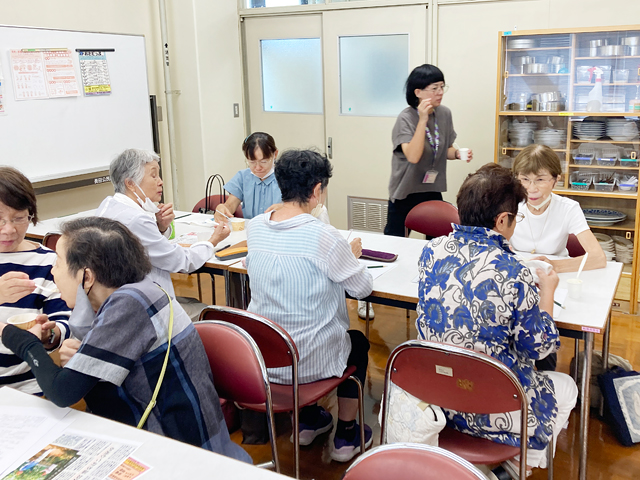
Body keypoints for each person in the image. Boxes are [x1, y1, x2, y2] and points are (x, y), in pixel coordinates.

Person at [0, 217, 250, 462]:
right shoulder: (136, 288)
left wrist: (16, 338)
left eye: (58, 261)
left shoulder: (130, 304)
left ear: (86, 277)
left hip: (177, 448)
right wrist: (56, 340)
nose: (53, 271)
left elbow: (62, 392)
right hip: (177, 429)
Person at [416, 164, 577, 474]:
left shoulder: (431, 251)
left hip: (436, 395)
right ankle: (516, 468)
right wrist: (547, 291)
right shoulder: (513, 270)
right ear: (503, 220)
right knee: (567, 387)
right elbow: (539, 349)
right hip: (493, 404)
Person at [246, 149, 373, 463]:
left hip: (265, 359)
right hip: (310, 361)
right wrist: (349, 256)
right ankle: (345, 434)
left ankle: (307, 422)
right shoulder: (323, 236)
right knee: (357, 343)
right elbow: (362, 288)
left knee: (293, 321)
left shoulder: (256, 227)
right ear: (317, 190)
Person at [97, 149, 230, 320]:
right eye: (154, 176)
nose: (160, 182)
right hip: (144, 311)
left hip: (117, 303)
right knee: (211, 313)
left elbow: (142, 247)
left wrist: (159, 228)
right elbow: (182, 262)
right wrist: (213, 240)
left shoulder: (108, 205)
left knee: (190, 302)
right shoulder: (137, 219)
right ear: (130, 183)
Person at [0, 166, 70, 393]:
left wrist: (51, 334)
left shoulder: (49, 263)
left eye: (19, 218)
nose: (9, 230)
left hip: (29, 387)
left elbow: (65, 320)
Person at [384, 64, 473, 239]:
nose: (440, 92)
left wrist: (456, 154)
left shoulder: (444, 114)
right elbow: (413, 156)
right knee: (395, 241)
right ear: (418, 92)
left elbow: (444, 149)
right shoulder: (406, 118)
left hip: (431, 187)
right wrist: (423, 118)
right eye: (434, 88)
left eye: (442, 87)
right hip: (405, 191)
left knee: (438, 241)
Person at [511, 144, 606, 273]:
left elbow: (598, 258)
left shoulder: (568, 208)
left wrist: (555, 266)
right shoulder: (509, 204)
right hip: (516, 272)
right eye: (525, 179)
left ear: (556, 181)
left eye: (540, 180)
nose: (532, 189)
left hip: (557, 276)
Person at [214, 132, 282, 223]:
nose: (258, 168)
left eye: (264, 162)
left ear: (275, 154)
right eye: (252, 162)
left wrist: (287, 208)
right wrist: (223, 208)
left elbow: (302, 210)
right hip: (251, 231)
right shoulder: (243, 177)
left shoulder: (288, 177)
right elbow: (230, 205)